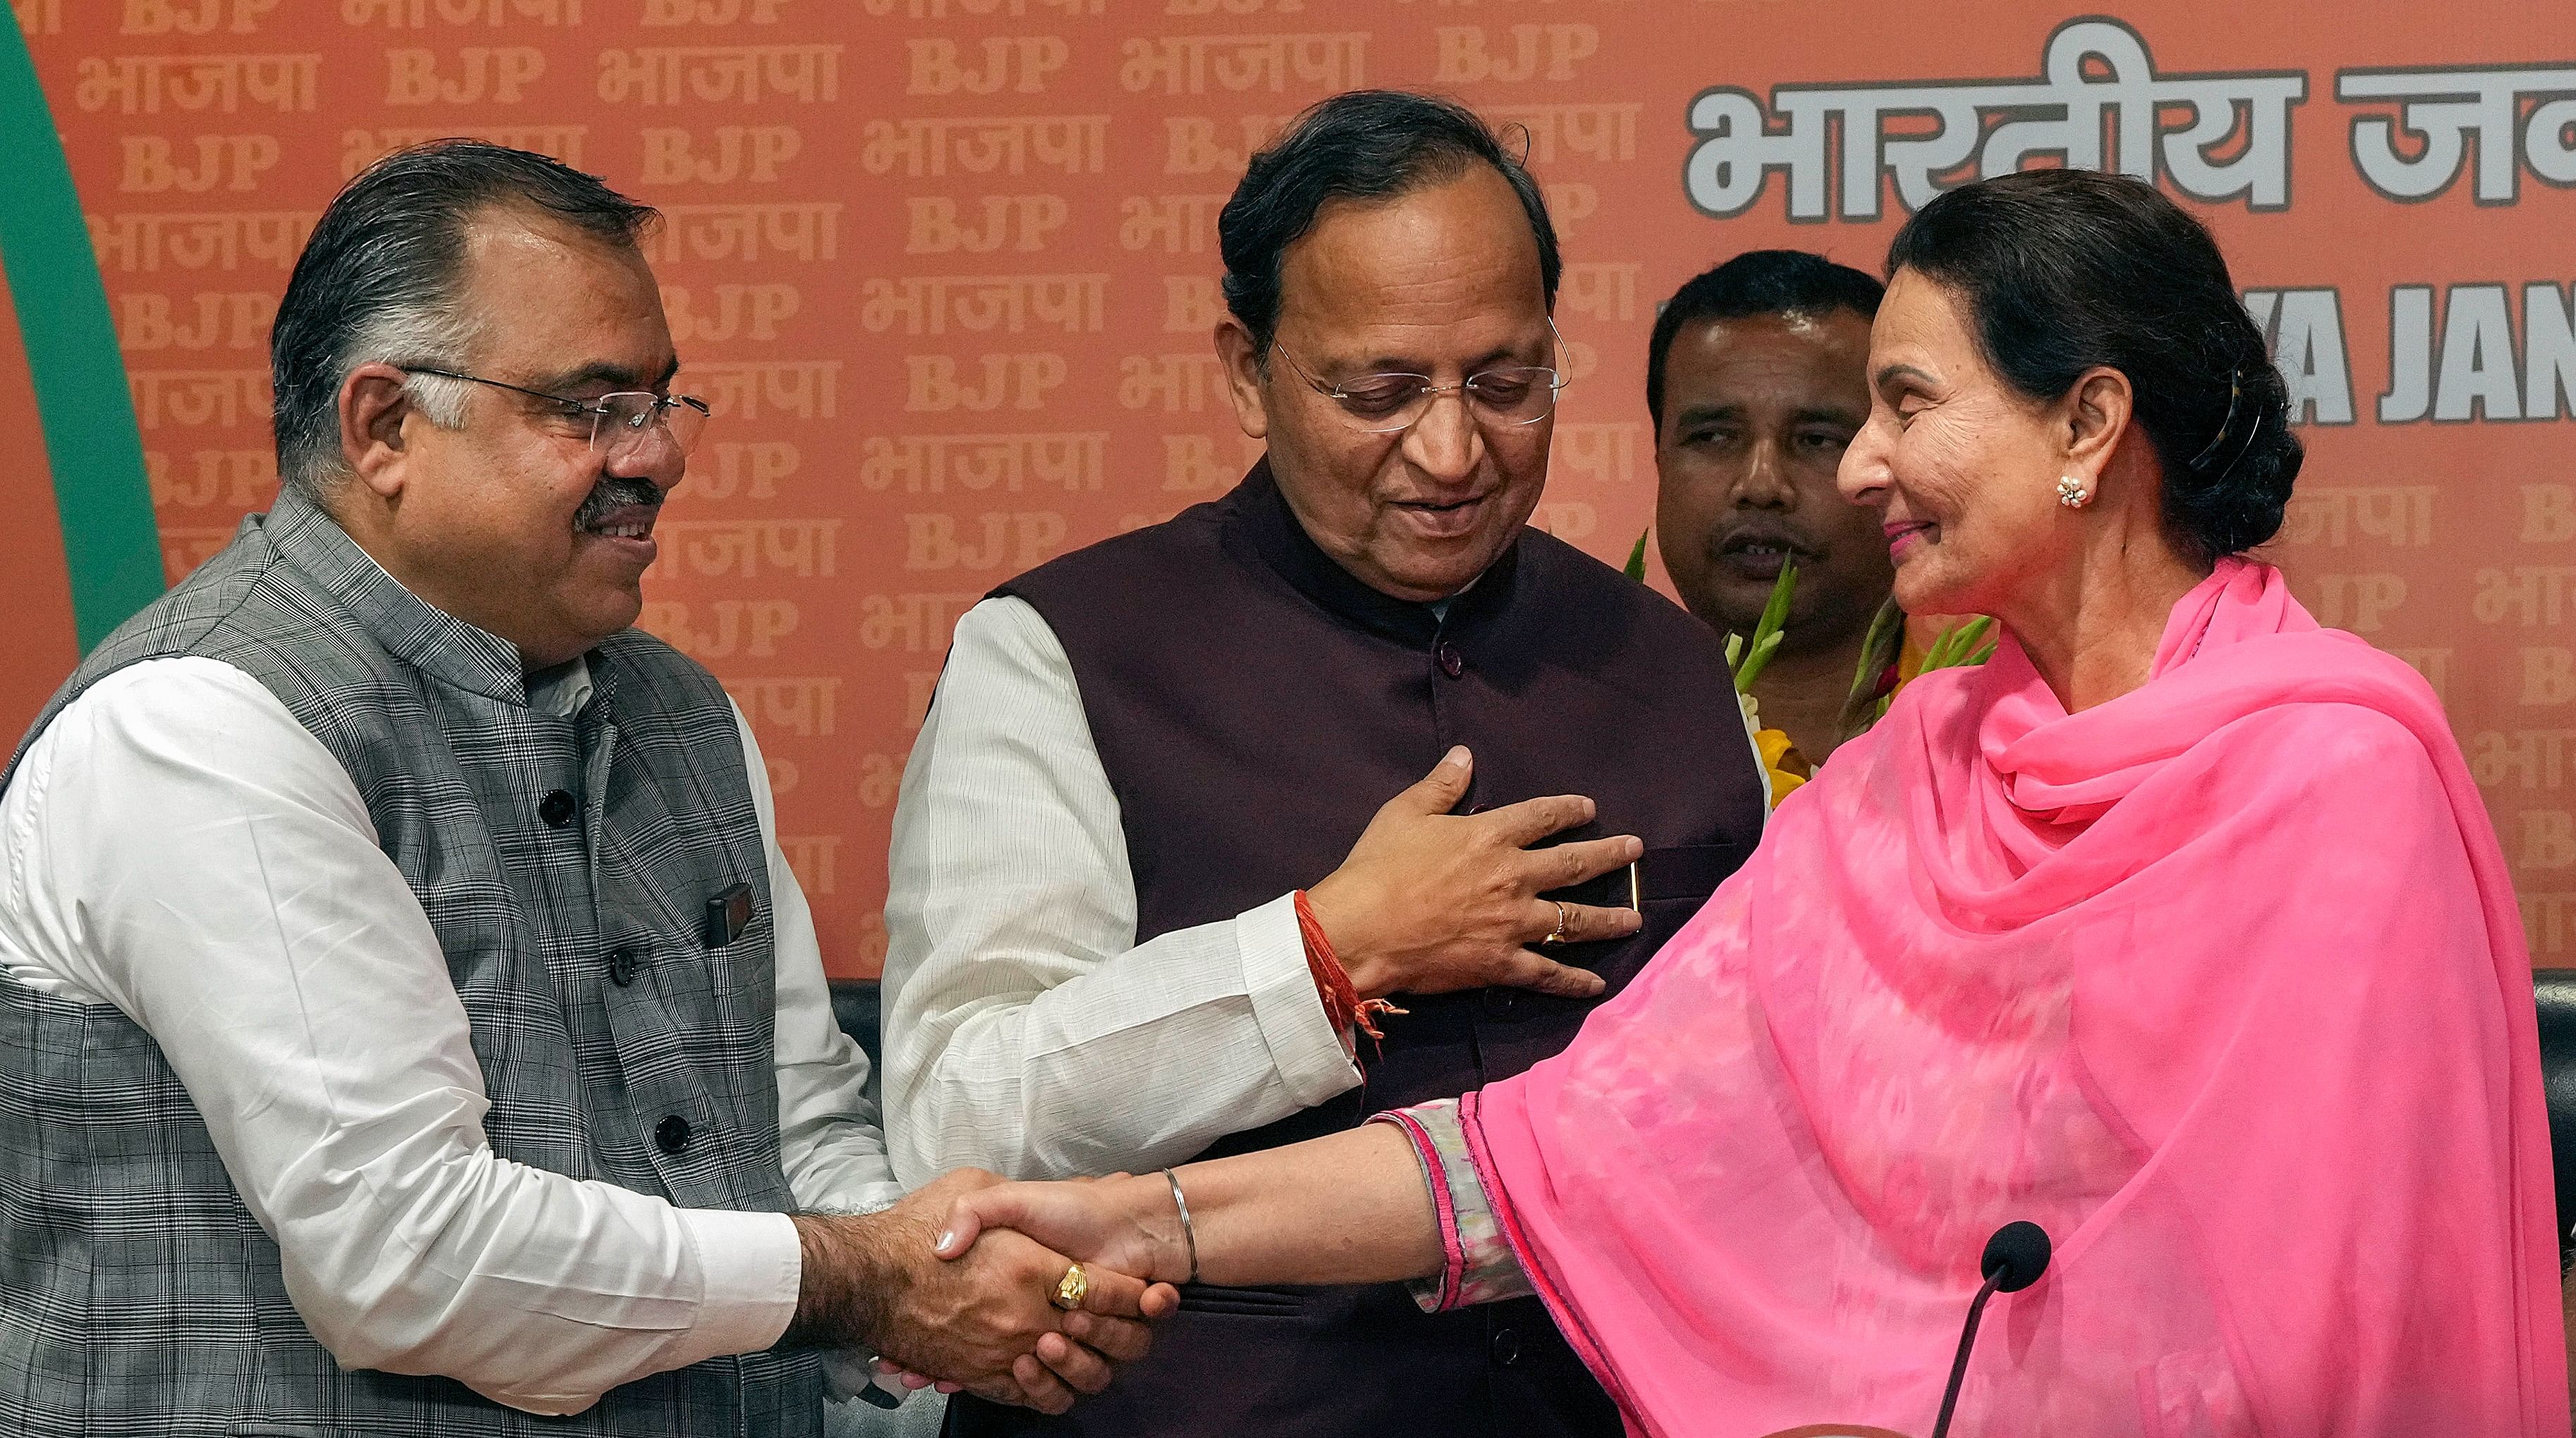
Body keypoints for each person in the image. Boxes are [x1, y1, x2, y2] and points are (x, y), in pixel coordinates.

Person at [924, 169, 2571, 1437]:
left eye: (1905, 404)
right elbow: (1554, 1157)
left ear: (2086, 424)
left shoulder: (2332, 777)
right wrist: (1148, 1215)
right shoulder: (1913, 776)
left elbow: (2331, 1322)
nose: (1854, 470)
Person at [0, 142, 1171, 1436]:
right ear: (385, 427)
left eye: (664, 402)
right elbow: (409, 1257)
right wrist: (868, 1281)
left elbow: (789, 1129)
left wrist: (954, 1279)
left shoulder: (683, 715)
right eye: (592, 407)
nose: (660, 455)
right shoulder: (202, 728)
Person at [878, 91, 1768, 1437]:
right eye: (1381, 391)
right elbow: (962, 1119)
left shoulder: (1667, 665)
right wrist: (1323, 953)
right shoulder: (1066, 649)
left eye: (1506, 381)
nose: (1454, 450)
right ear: (1248, 371)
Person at [1649, 250, 1894, 770]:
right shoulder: (1572, 746)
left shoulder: (1996, 729)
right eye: (1713, 437)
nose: (1760, 485)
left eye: (1817, 440)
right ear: (1659, 461)